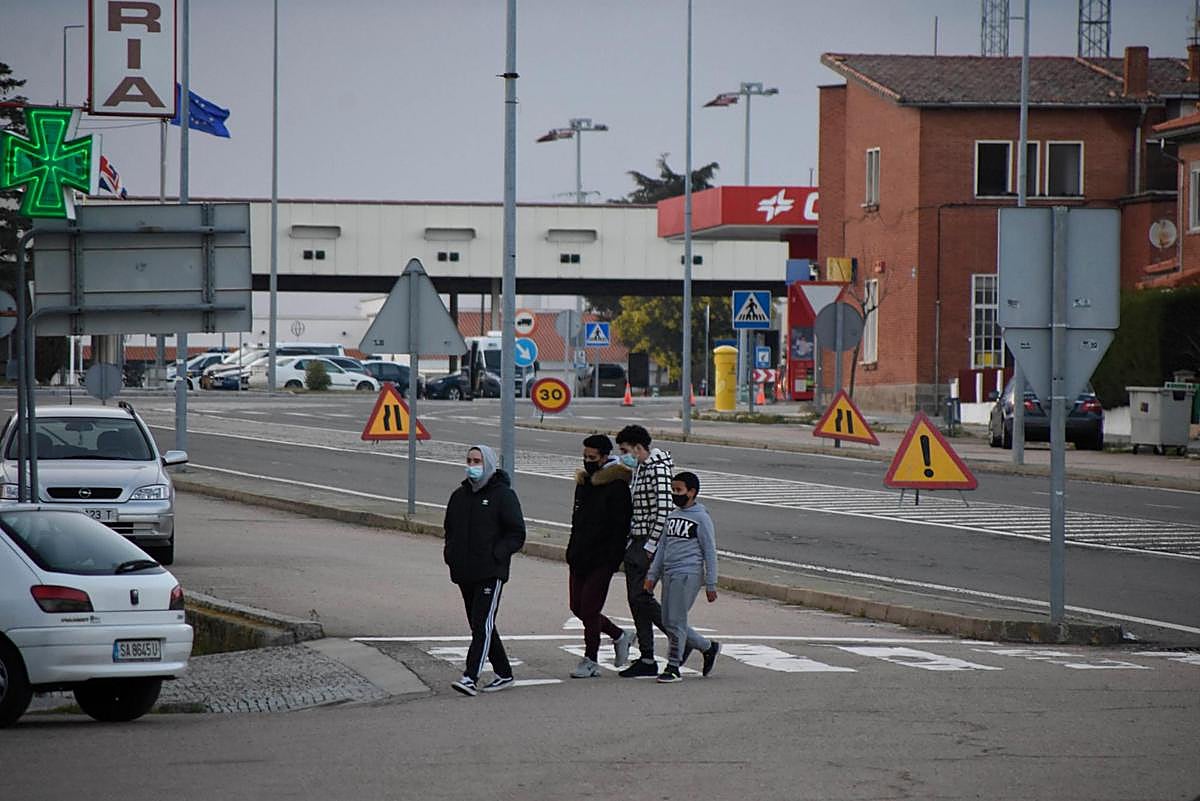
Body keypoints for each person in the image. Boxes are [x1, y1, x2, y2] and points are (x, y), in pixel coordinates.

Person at [442, 444, 526, 697]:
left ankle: (470, 677)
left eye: (477, 460)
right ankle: (504, 672)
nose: (472, 465)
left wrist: (497, 555)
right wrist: (451, 555)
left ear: (487, 463)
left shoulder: (503, 495)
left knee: (482, 623)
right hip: (464, 571)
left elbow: (516, 533)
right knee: (480, 623)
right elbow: (450, 529)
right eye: (469, 460)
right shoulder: (459, 496)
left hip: (491, 571)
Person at [566, 434, 635, 678]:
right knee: (577, 606)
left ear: (605, 457)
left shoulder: (617, 487)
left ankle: (590, 659)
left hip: (602, 558)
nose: (587, 461)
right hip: (579, 555)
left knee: (590, 608)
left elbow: (620, 527)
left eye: (592, 457)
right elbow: (577, 520)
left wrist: (612, 559)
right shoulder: (583, 483)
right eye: (585, 456)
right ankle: (619, 635)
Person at [643, 471, 720, 683]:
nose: (675, 494)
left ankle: (673, 665)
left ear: (692, 492)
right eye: (673, 490)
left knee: (676, 621)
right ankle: (707, 647)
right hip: (669, 572)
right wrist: (652, 576)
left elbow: (710, 551)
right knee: (668, 621)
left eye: (679, 490)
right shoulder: (672, 516)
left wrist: (711, 583)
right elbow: (662, 548)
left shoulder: (702, 518)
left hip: (688, 574)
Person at [614, 424, 673, 677]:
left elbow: (664, 509)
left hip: (649, 542)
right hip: (637, 540)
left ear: (639, 448)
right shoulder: (640, 468)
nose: (624, 455)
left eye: (626, 450)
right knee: (636, 599)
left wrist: (651, 545)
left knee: (641, 597)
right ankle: (647, 657)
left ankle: (686, 638)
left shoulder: (657, 468)